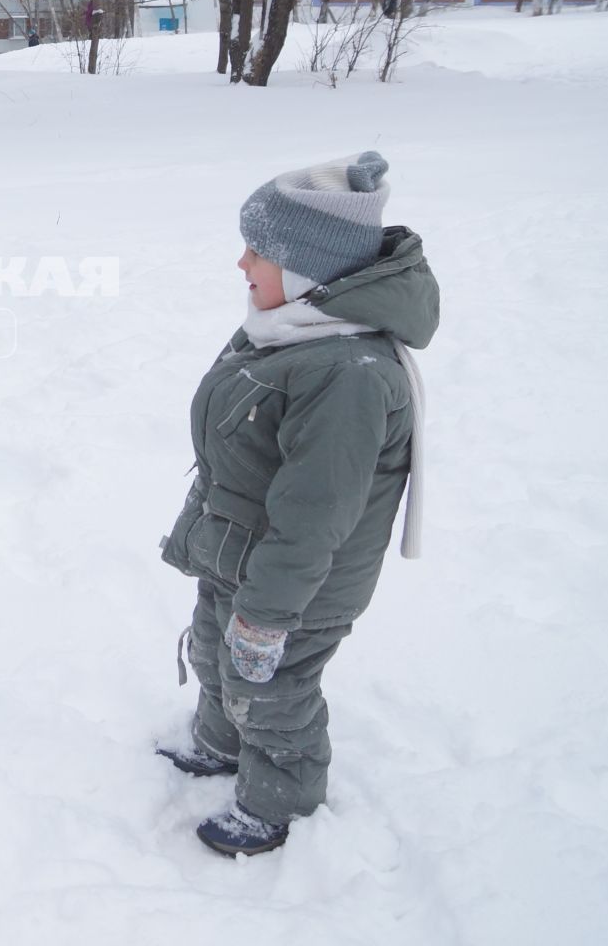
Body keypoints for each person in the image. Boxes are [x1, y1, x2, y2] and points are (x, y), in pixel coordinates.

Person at [156, 152, 436, 857]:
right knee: (220, 657)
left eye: (259, 250)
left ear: (309, 268)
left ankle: (279, 799)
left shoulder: (348, 375)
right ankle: (220, 747)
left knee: (274, 691)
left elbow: (313, 518)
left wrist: (270, 612)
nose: (241, 263)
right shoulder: (288, 332)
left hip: (296, 588)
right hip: (243, 561)